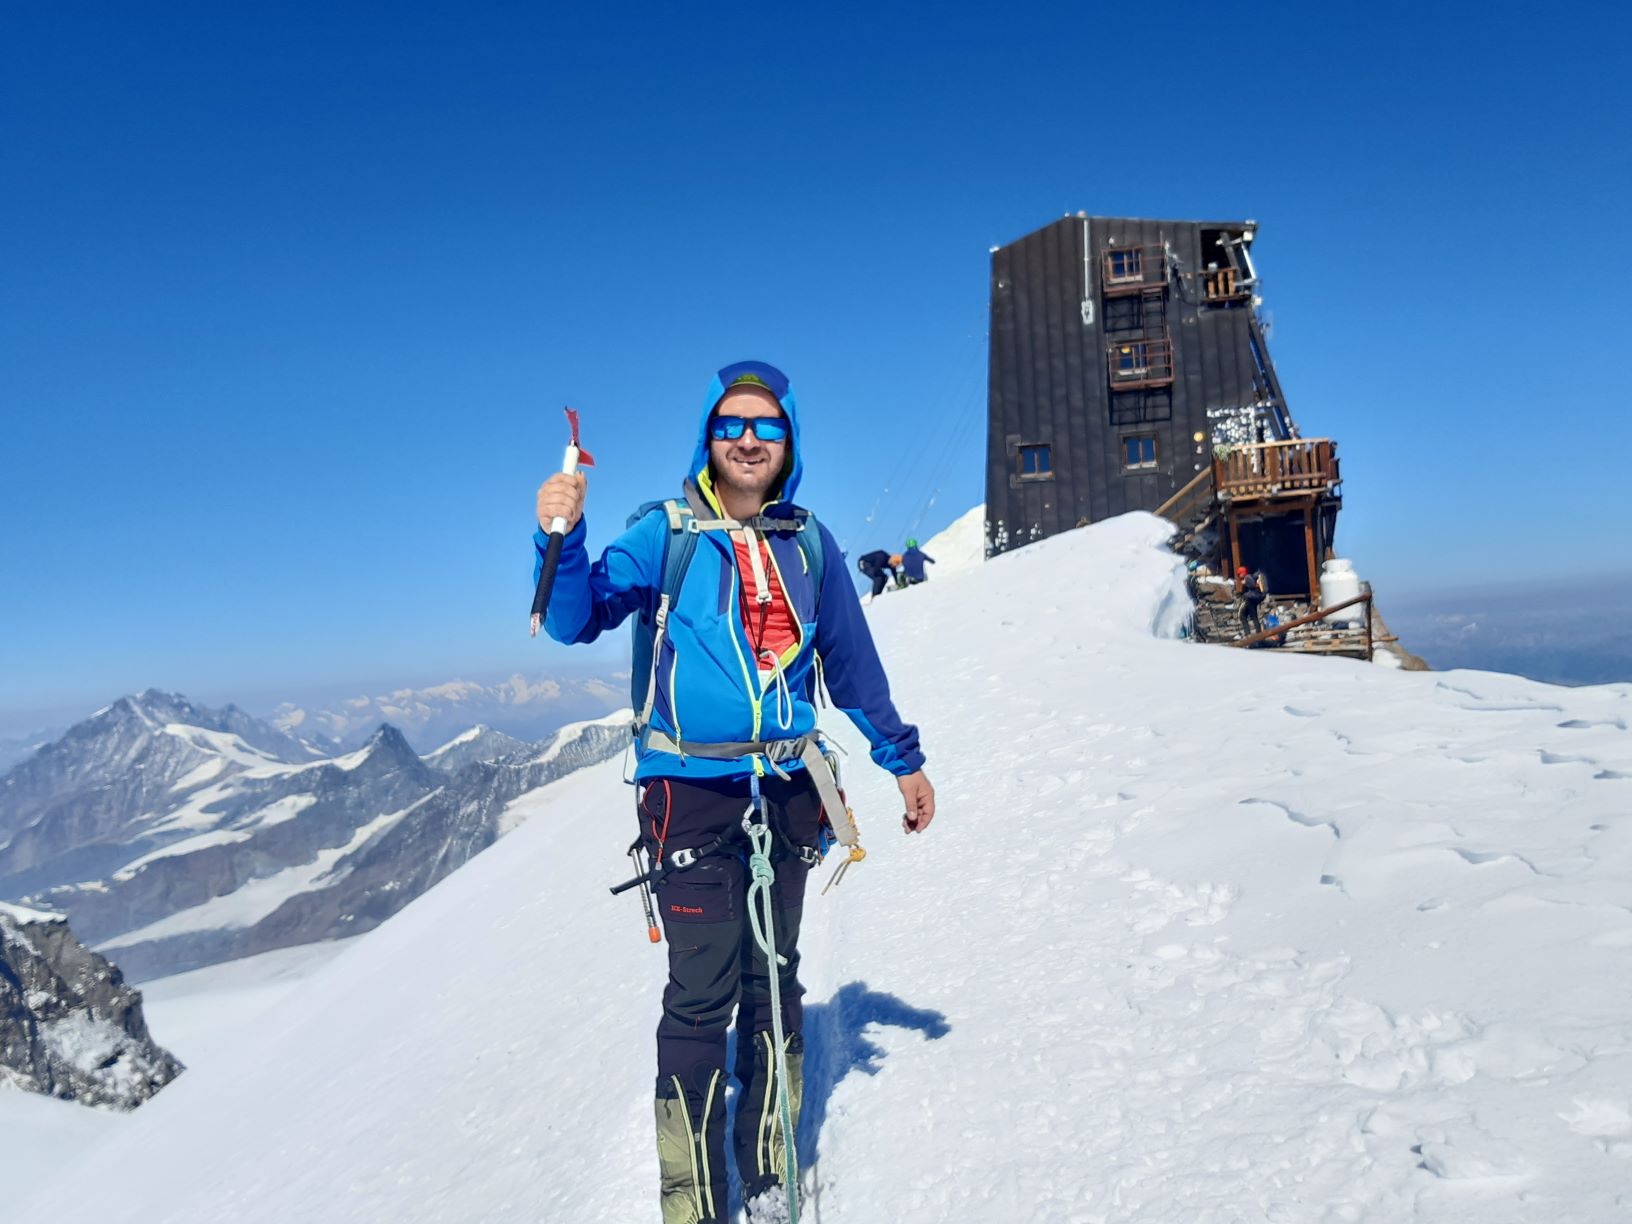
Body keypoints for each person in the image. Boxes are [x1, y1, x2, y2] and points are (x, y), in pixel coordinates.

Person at [533, 360, 936, 1224]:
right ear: (708, 441)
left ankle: (763, 1170)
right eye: (731, 425)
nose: (747, 439)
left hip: (788, 788)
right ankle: (694, 1201)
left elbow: (854, 666)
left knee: (775, 972)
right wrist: (557, 538)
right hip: (688, 791)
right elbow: (577, 619)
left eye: (766, 426)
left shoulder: (811, 544)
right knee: (700, 992)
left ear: (788, 445)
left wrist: (901, 757)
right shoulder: (667, 532)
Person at [1237, 565, 1266, 636]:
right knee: (1245, 616)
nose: (1238, 576)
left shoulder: (1247, 577)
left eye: (1239, 574)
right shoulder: (1248, 577)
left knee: (1250, 616)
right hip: (1252, 599)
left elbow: (1253, 586)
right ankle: (1252, 633)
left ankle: (1253, 634)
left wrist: (1245, 583)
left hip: (1250, 600)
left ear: (1242, 573)